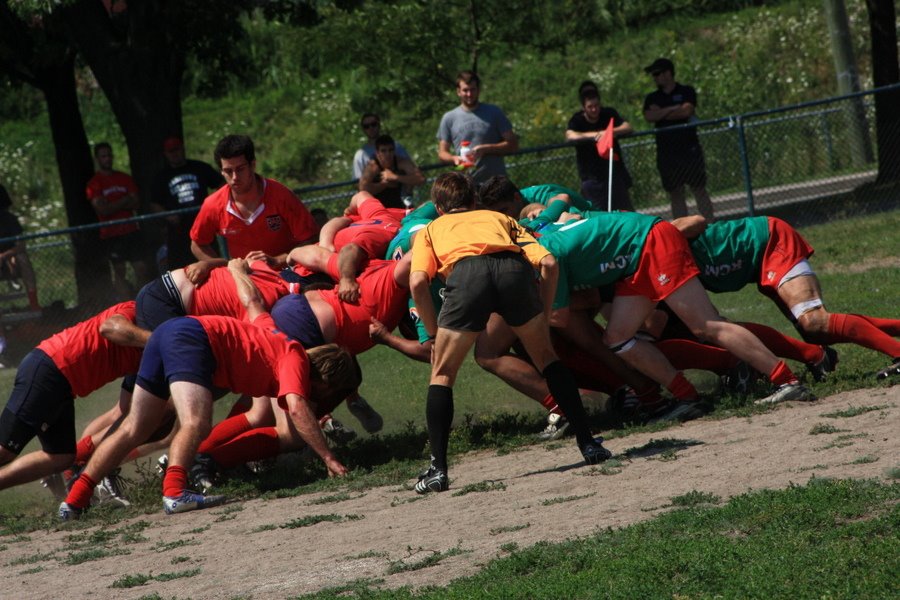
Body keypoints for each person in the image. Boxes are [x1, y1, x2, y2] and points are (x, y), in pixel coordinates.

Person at [59, 259, 359, 519]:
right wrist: (329, 458)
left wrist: (237, 271)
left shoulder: (276, 335)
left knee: (134, 427)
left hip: (166, 334)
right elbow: (296, 406)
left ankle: (75, 499)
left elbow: (252, 303)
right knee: (196, 423)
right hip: (192, 339)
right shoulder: (295, 357)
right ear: (325, 379)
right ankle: (175, 492)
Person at [408, 172, 611, 494]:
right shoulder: (498, 218)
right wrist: (542, 314)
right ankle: (588, 444)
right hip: (512, 273)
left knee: (443, 374)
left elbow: (418, 282)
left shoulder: (430, 229)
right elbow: (548, 262)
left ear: (438, 207)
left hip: (467, 275)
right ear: (474, 201)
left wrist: (433, 334)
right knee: (547, 358)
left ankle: (438, 470)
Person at [537, 211, 816, 419]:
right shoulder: (534, 237)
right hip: (637, 255)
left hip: (650, 245)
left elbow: (559, 318)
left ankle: (786, 380)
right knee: (617, 338)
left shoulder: (543, 250)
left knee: (707, 325)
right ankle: (687, 397)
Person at [680, 215, 900, 380]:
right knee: (813, 332)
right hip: (757, 263)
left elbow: (698, 221)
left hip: (771, 240)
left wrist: (669, 231)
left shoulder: (658, 239)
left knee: (815, 322)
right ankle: (817, 355)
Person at [0, 302, 141, 496]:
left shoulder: (154, 345)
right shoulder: (137, 310)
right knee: (5, 449)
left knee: (61, 457)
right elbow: (108, 327)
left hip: (65, 386)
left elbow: (125, 408)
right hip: (50, 368)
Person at [188, 134, 319, 284]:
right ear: (222, 172)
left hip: (289, 274)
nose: (235, 177)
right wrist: (226, 268)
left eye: (240, 169)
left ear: (253, 165)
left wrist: (278, 260)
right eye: (228, 171)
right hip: (247, 281)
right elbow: (197, 243)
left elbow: (312, 238)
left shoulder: (281, 195)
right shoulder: (213, 204)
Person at [643, 58, 715, 220]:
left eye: (657, 73)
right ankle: (682, 231)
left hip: (689, 149)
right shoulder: (652, 98)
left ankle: (711, 225)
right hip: (667, 152)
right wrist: (673, 108)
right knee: (675, 192)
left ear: (668, 73)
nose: (655, 77)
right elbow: (649, 116)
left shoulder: (686, 91)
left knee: (699, 188)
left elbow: (686, 111)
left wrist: (662, 113)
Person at [86, 142, 150, 299]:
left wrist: (113, 204)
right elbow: (103, 210)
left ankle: (141, 299)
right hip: (112, 234)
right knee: (119, 271)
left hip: (131, 230)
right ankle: (125, 303)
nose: (107, 159)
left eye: (109, 155)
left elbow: (135, 202)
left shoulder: (124, 178)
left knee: (141, 268)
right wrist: (124, 201)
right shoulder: (95, 183)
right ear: (97, 159)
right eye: (103, 156)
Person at [150, 136, 224, 271]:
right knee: (180, 267)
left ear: (183, 149)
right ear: (166, 154)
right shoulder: (162, 176)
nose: (175, 154)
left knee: (213, 263)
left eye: (177, 150)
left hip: (203, 224)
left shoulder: (199, 167)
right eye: (171, 151)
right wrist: (168, 216)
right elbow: (154, 203)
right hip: (178, 229)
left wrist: (211, 205)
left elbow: (222, 185)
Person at [437, 71, 519, 184]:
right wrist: (455, 159)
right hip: (467, 184)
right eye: (465, 90)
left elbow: (513, 144)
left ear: (478, 90)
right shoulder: (449, 118)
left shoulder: (494, 112)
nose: (469, 94)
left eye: (472, 89)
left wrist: (485, 149)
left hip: (497, 182)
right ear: (458, 92)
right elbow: (442, 153)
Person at [565, 88, 635, 211]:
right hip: (591, 177)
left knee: (625, 210)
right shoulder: (577, 120)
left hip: (613, 172)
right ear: (584, 108)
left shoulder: (608, 113)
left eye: (596, 105)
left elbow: (627, 126)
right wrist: (594, 135)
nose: (594, 109)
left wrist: (609, 132)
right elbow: (570, 135)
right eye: (590, 107)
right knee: (598, 212)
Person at [0, 183, 40, 312]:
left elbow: (21, 245)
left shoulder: (9, 220)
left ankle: (34, 303)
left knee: (22, 258)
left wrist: (5, 256)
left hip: (10, 260)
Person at [358, 135, 425, 209]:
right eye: (383, 151)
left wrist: (395, 177)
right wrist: (384, 184)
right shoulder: (372, 167)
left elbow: (421, 179)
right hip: (378, 208)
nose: (388, 154)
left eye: (390, 150)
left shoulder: (400, 162)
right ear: (377, 153)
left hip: (398, 205)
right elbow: (363, 189)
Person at [351, 113, 410, 180]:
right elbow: (357, 182)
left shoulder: (396, 146)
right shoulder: (360, 155)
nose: (371, 128)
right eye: (366, 126)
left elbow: (411, 171)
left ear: (379, 125)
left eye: (373, 124)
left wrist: (395, 177)